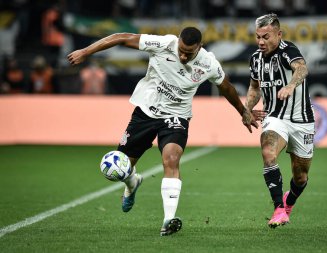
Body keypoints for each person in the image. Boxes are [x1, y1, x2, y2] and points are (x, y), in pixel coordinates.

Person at [67, 27, 265, 236]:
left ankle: (168, 220)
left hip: (176, 117)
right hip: (145, 112)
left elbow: (226, 88)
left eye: (188, 53)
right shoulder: (163, 44)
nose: (182, 55)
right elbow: (121, 37)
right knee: (124, 166)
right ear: (177, 41)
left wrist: (243, 111)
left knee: (171, 159)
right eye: (180, 50)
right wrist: (85, 52)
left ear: (200, 47)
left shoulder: (208, 63)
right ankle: (132, 182)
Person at [244, 14, 315, 228]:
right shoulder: (255, 58)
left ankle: (288, 203)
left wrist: (291, 85)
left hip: (302, 120)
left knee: (301, 177)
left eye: (266, 36)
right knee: (268, 153)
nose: (261, 42)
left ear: (279, 34)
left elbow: (302, 68)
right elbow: (254, 87)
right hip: (275, 117)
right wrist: (246, 109)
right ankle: (278, 209)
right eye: (258, 37)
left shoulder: (288, 50)